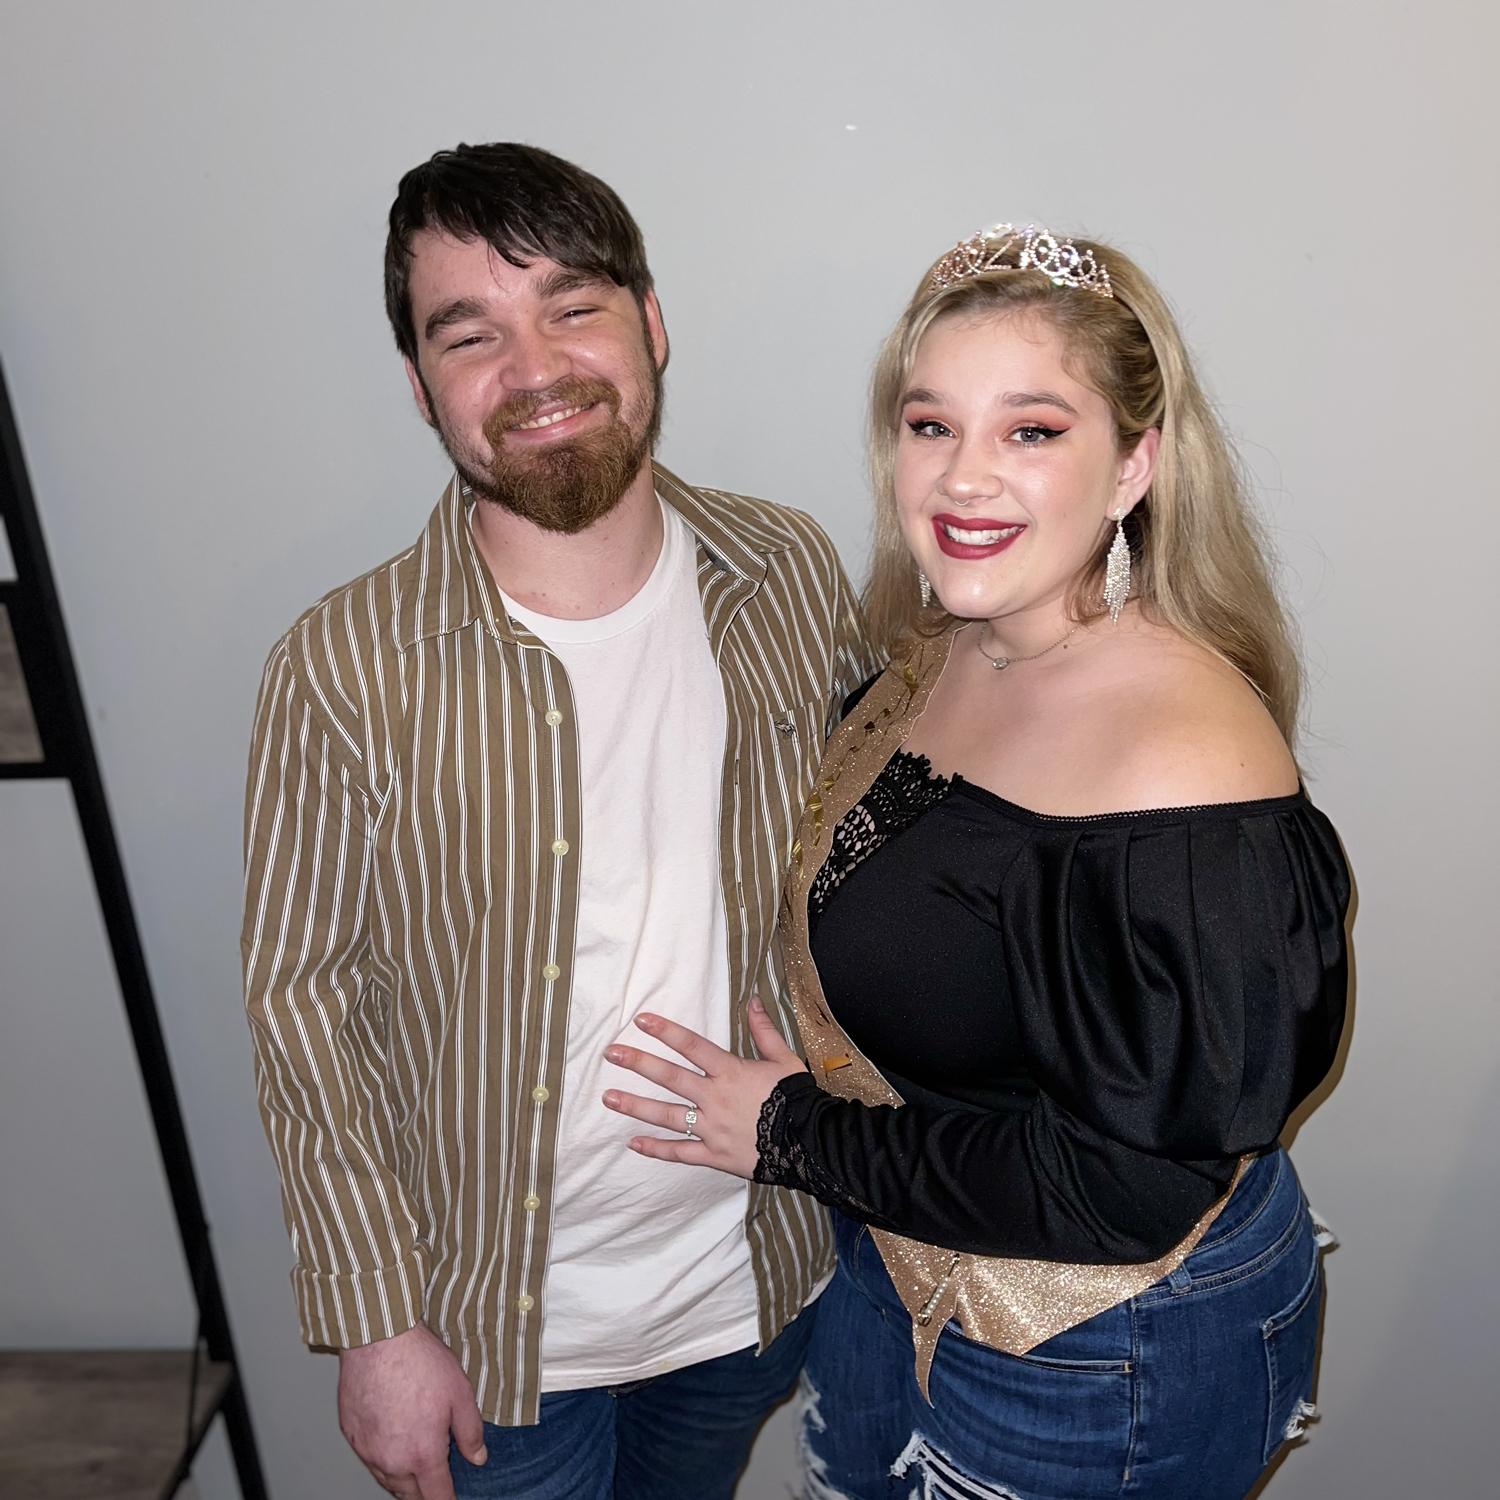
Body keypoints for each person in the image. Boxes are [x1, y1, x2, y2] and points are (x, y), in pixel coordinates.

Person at [602, 223, 1351, 1499]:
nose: (962, 478)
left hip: (1098, 1344)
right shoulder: (954, 640)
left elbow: (1127, 1186)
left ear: (1135, 464)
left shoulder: (1184, 770)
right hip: (899, 1254)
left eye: (1032, 430)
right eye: (930, 424)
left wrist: (790, 1130)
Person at [240, 142, 875, 1500]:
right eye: (470, 335)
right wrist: (375, 1323)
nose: (533, 368)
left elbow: (873, 867)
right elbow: (303, 1005)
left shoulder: (788, 573)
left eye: (573, 308)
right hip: (494, 1345)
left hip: (751, 1284)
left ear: (650, 325)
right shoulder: (341, 666)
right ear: (421, 386)